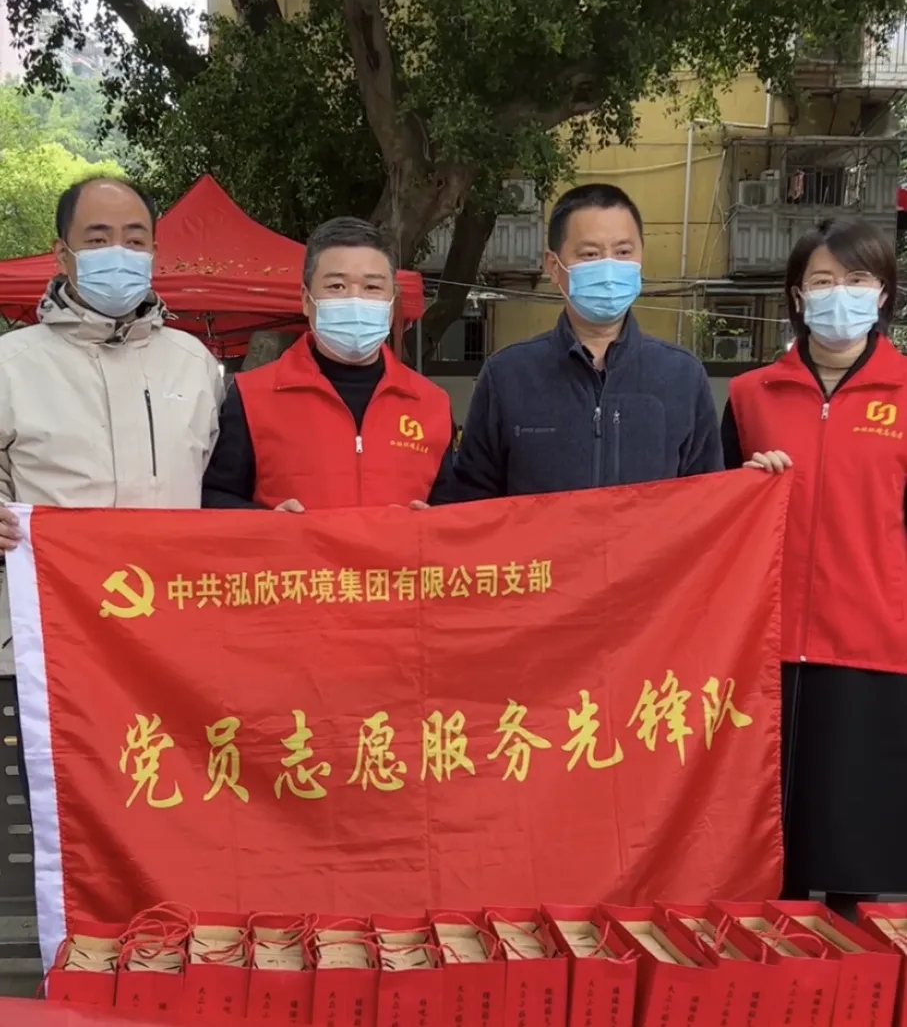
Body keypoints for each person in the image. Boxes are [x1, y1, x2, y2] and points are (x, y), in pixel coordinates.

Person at [0, 176, 224, 795]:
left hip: (175, 648)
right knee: (62, 818)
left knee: (170, 806)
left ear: (154, 252)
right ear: (62, 253)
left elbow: (223, 490)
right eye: (98, 239)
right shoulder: (12, 365)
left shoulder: (195, 365)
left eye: (134, 238)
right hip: (48, 648)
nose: (118, 253)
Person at [722, 217, 907, 919]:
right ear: (797, 297)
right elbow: (713, 513)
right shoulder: (751, 395)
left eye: (856, 280)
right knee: (772, 847)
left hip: (871, 647)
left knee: (856, 848)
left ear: (882, 292)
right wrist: (747, 484)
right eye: (821, 281)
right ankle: (776, 971)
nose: (839, 295)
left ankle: (855, 974)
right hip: (764, 651)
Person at [452, 184, 722, 498]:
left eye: (623, 252)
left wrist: (761, 481)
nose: (609, 269)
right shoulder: (507, 376)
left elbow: (710, 500)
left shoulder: (683, 377)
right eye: (590, 255)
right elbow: (471, 502)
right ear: (554, 266)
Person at [202, 216, 456, 511]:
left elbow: (454, 507)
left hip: (401, 546)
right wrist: (269, 523)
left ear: (392, 300)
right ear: (306, 299)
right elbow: (215, 497)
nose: (355, 299)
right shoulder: (252, 397)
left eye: (372, 287)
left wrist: (432, 524)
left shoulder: (431, 404)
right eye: (336, 286)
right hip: (289, 545)